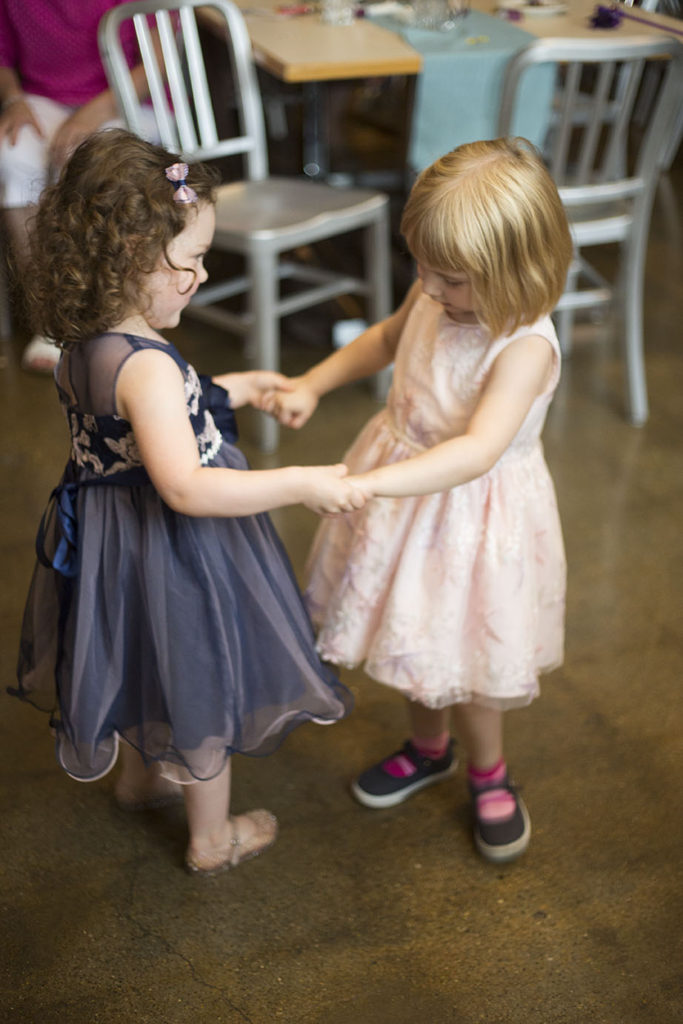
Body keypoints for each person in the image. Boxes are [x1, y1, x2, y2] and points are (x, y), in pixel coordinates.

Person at [9, 128, 366, 876]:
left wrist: (240, 388)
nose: (200, 276)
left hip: (116, 548)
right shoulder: (146, 368)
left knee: (145, 660)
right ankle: (211, 838)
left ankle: (141, 779)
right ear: (132, 259)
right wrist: (302, 482)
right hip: (179, 549)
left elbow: (148, 428)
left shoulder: (89, 343)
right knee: (199, 672)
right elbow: (185, 483)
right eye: (190, 261)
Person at [265, 138, 573, 863]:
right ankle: (427, 747)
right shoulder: (436, 291)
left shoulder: (523, 346)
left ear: (515, 270)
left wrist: (369, 484)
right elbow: (384, 339)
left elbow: (475, 450)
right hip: (403, 488)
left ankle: (489, 771)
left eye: (452, 280)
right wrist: (312, 383)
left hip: (470, 514)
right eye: (423, 270)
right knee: (410, 635)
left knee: (463, 651)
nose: (430, 290)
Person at [0, 0, 158, 372]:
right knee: (11, 156)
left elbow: (159, 59)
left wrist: (95, 113)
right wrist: (13, 100)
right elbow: (2, 54)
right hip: (43, 98)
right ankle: (52, 315)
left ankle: (112, 316)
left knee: (99, 161)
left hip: (129, 100)